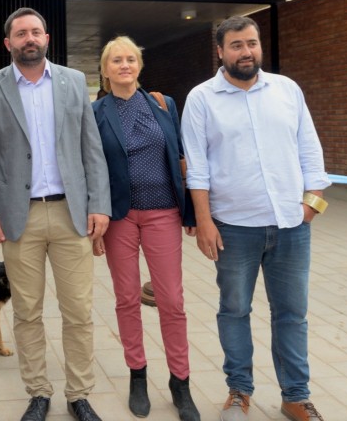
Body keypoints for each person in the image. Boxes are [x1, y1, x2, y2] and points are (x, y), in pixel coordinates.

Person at [180, 16, 330, 421]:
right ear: (220, 51)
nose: (246, 52)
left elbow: (310, 150)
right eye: (236, 45)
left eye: (251, 43)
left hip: (290, 227)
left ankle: (295, 397)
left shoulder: (286, 90)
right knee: (234, 311)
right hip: (232, 228)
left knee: (292, 314)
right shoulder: (201, 98)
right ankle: (238, 393)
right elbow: (196, 167)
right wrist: (204, 221)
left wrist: (311, 205)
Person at [0, 7, 111, 421]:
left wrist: (99, 205)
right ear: (9, 43)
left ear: (47, 38)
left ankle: (79, 394)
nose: (29, 39)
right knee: (27, 312)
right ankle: (38, 392)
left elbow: (92, 148)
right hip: (20, 218)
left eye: (36, 32)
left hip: (72, 216)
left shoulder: (72, 82)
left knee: (78, 312)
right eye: (21, 34)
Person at [92, 36, 200, 421]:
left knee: (171, 299)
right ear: (105, 70)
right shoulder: (96, 112)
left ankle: (180, 382)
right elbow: (93, 168)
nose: (124, 65)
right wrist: (95, 218)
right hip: (119, 218)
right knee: (125, 298)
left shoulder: (163, 104)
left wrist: (193, 213)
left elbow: (181, 158)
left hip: (163, 213)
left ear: (139, 66)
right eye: (116, 60)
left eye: (130, 59)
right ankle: (137, 375)